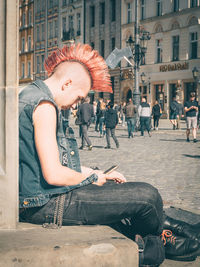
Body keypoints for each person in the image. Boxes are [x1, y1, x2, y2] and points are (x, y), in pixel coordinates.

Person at [19, 43, 200, 265]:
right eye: (78, 98)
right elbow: (53, 174)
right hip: (47, 204)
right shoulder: (44, 105)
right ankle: (156, 241)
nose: (76, 105)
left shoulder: (32, 94)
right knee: (148, 196)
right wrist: (93, 177)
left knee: (119, 189)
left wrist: (93, 172)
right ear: (67, 83)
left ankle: (167, 229)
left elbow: (52, 164)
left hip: (44, 197)